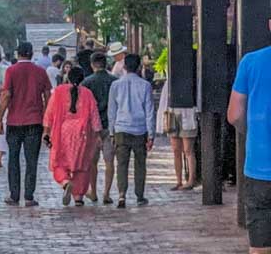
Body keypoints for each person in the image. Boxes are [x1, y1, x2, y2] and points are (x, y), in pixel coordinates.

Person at [228, 17, 271, 254]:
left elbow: (234, 114)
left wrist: (253, 132)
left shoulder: (250, 62)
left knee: (260, 247)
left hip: (259, 168)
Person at [0, 40, 51, 207]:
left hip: (14, 120)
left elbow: (6, 95)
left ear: (17, 53)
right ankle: (29, 195)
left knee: (13, 159)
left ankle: (14, 195)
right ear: (32, 53)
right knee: (31, 160)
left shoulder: (11, 71)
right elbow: (48, 95)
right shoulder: (40, 71)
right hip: (35, 121)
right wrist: (46, 116)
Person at [43, 65, 102, 206]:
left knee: (59, 162)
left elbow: (49, 114)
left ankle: (65, 182)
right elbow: (94, 116)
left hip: (62, 132)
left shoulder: (58, 91)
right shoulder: (87, 93)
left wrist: (46, 132)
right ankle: (78, 197)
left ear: (68, 77)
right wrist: (98, 134)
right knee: (81, 164)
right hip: (82, 134)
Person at [108, 52, 155, 208]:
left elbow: (112, 111)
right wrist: (151, 134)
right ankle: (139, 195)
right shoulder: (145, 85)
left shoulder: (115, 85)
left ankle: (121, 195)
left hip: (121, 128)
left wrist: (111, 132)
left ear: (125, 67)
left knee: (121, 163)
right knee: (140, 164)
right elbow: (149, 111)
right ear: (139, 67)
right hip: (140, 129)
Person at [83, 50, 116, 205]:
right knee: (109, 161)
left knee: (92, 161)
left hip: (92, 127)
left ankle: (93, 191)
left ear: (92, 65)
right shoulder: (114, 81)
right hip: (110, 125)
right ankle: (107, 193)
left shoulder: (87, 82)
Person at [158, 74, 197, 192]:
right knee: (176, 149)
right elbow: (165, 99)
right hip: (172, 114)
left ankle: (191, 180)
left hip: (188, 113)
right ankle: (179, 180)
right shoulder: (169, 80)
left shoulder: (192, 78)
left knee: (188, 149)